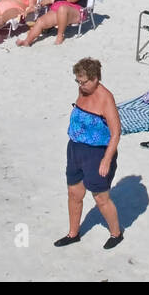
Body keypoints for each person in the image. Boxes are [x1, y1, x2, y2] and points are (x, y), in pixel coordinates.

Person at [54, 58, 124, 249]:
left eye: (84, 82)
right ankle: (73, 233)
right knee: (74, 193)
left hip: (96, 154)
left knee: (101, 198)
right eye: (78, 81)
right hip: (75, 149)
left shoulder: (105, 98)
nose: (81, 85)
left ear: (95, 78)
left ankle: (116, 233)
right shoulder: (82, 89)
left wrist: (106, 160)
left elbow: (116, 132)